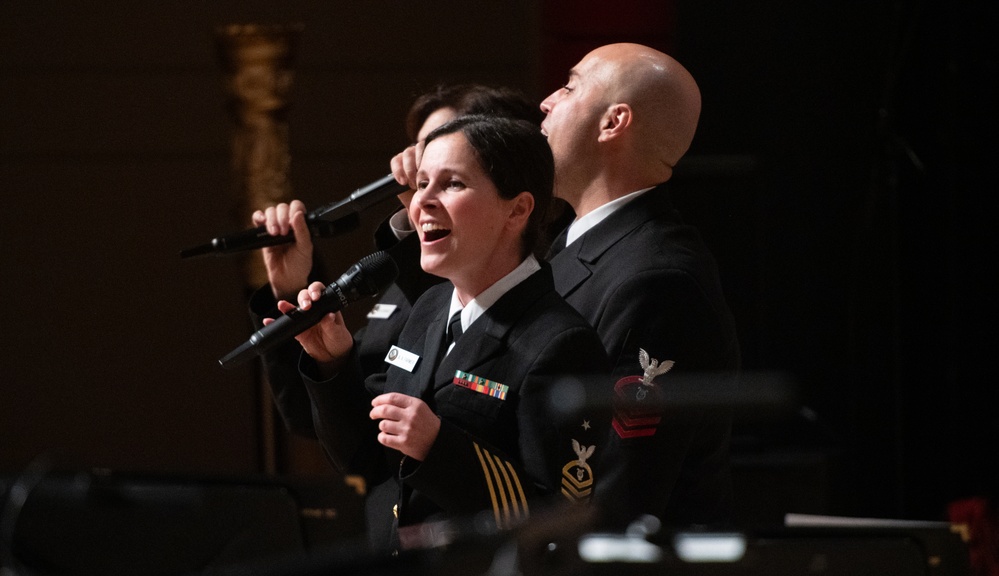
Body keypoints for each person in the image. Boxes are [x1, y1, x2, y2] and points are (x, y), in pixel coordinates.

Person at [281, 115, 610, 550]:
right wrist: (333, 364)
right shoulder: (431, 306)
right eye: (421, 185)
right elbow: (367, 461)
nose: (422, 204)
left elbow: (558, 524)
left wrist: (439, 448)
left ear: (518, 209)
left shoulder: (560, 342)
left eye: (452, 184)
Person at [249, 84, 544, 438]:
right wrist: (296, 296)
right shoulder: (426, 300)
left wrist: (437, 448)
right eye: (422, 170)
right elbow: (316, 418)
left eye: (451, 177)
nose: (414, 171)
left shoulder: (531, 315)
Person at [539, 43, 741, 528]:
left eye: (569, 86)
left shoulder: (658, 280)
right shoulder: (564, 243)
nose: (546, 101)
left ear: (613, 123)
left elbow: (614, 489)